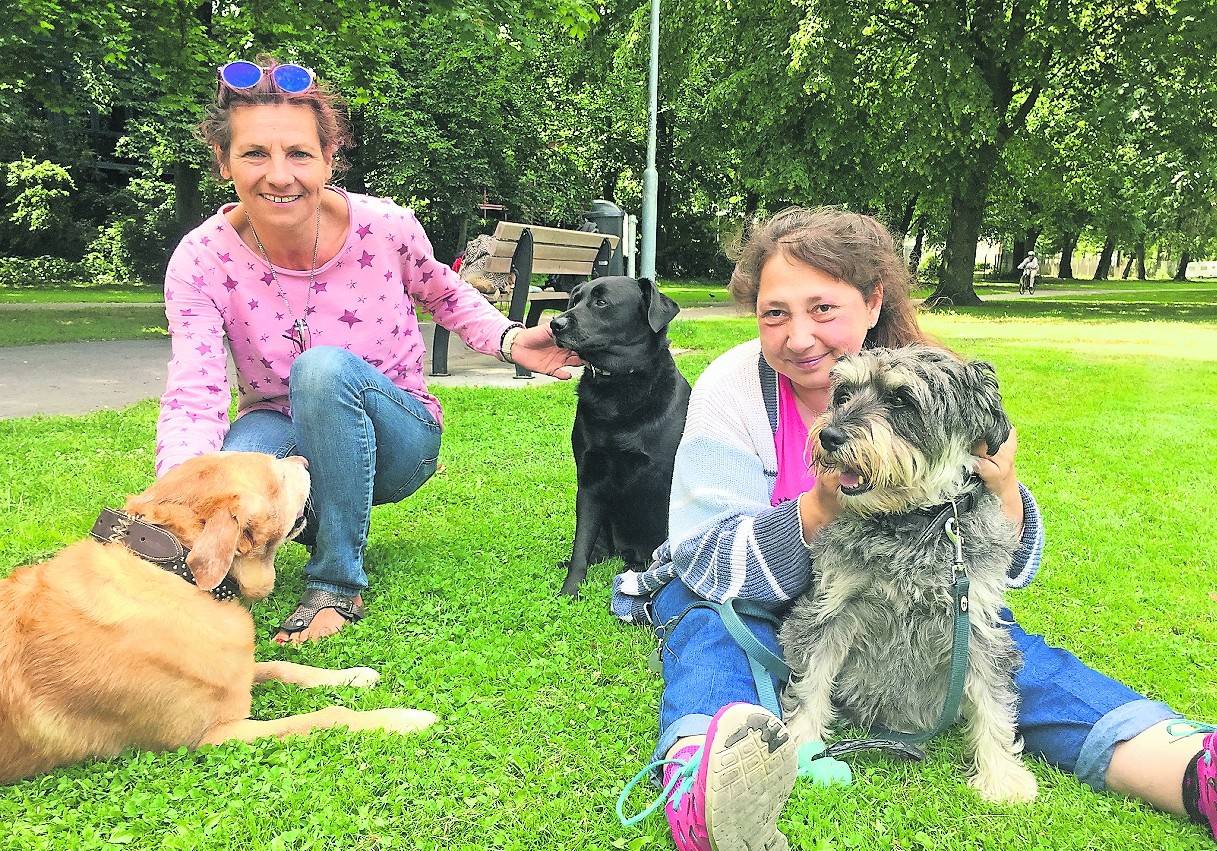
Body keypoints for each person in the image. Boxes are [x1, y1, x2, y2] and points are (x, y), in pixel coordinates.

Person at [612, 207, 1217, 850]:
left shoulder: (939, 380)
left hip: (908, 592)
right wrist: (821, 505)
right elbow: (703, 561)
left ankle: (1190, 769)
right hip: (745, 593)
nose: (798, 337)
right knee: (709, 629)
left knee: (996, 643)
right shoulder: (732, 387)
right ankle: (699, 779)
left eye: (823, 308)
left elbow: (1007, 566)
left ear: (873, 302)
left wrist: (1003, 487)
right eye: (774, 313)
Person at [156, 58, 581, 644]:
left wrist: (509, 340)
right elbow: (195, 388)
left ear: (329, 160)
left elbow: (445, 292)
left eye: (300, 154)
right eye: (255, 154)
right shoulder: (201, 259)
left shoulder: (385, 226)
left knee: (322, 369)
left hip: (396, 435)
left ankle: (336, 583)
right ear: (224, 161)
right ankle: (204, 571)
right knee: (230, 476)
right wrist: (177, 494)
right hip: (279, 424)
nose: (279, 175)